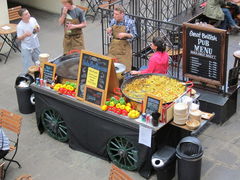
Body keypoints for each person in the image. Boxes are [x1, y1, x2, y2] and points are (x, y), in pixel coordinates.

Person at [107, 5, 137, 71]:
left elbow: (134, 35)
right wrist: (109, 30)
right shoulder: (113, 21)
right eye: (114, 14)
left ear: (122, 14)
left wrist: (125, 34)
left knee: (124, 70)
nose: (114, 16)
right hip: (114, 49)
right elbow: (110, 31)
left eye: (116, 14)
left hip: (124, 50)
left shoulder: (129, 22)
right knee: (111, 69)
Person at [17, 8, 40, 73]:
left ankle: (39, 77)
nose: (28, 15)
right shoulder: (20, 26)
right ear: (22, 17)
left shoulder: (33, 19)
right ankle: (25, 79)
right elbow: (19, 38)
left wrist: (38, 29)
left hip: (35, 45)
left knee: (39, 63)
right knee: (26, 65)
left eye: (28, 13)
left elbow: (37, 28)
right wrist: (25, 35)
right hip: (26, 47)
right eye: (26, 14)